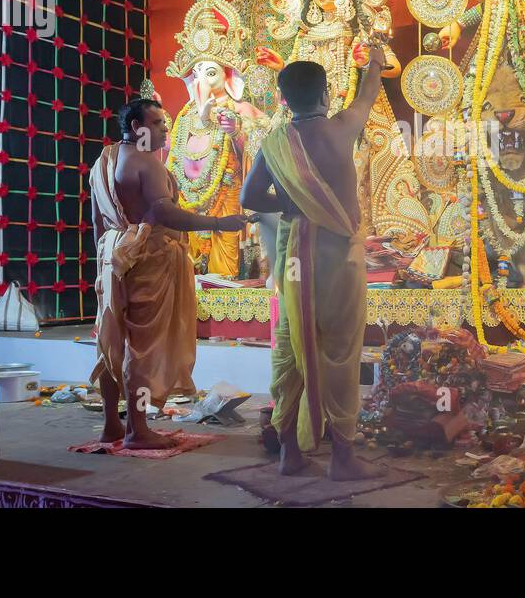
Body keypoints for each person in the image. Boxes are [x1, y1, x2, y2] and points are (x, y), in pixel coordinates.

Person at [241, 41, 388, 481]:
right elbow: (366, 96)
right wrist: (376, 61)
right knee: (341, 349)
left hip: (294, 261)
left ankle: (290, 452)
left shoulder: (274, 143)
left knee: (290, 341)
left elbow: (250, 197)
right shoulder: (342, 127)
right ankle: (342, 457)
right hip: (338, 258)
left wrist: (290, 203)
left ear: (284, 100)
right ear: (325, 94)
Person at [91, 98, 247, 450]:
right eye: (159, 122)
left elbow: (97, 222)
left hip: (112, 257)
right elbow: (165, 214)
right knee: (144, 348)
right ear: (136, 127)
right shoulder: (147, 163)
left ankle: (111, 425)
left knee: (112, 340)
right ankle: (138, 429)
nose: (165, 129)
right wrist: (219, 223)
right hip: (148, 260)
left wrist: (104, 263)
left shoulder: (103, 161)